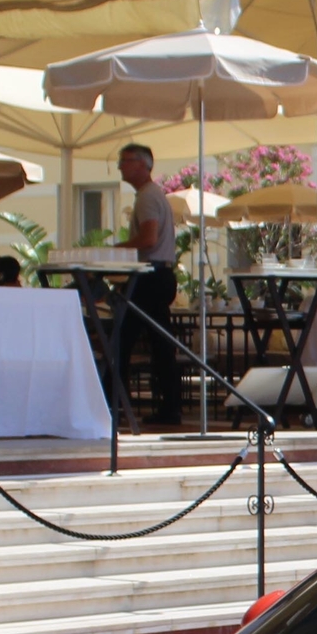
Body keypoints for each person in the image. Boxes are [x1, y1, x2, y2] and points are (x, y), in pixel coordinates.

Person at [120, 144, 182, 424]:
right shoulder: (153, 194)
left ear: (143, 164)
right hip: (159, 275)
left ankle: (118, 404)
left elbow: (148, 239)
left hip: (150, 276)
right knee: (159, 344)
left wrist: (116, 249)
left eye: (125, 161)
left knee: (123, 341)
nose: (120, 166)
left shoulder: (147, 197)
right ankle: (169, 407)